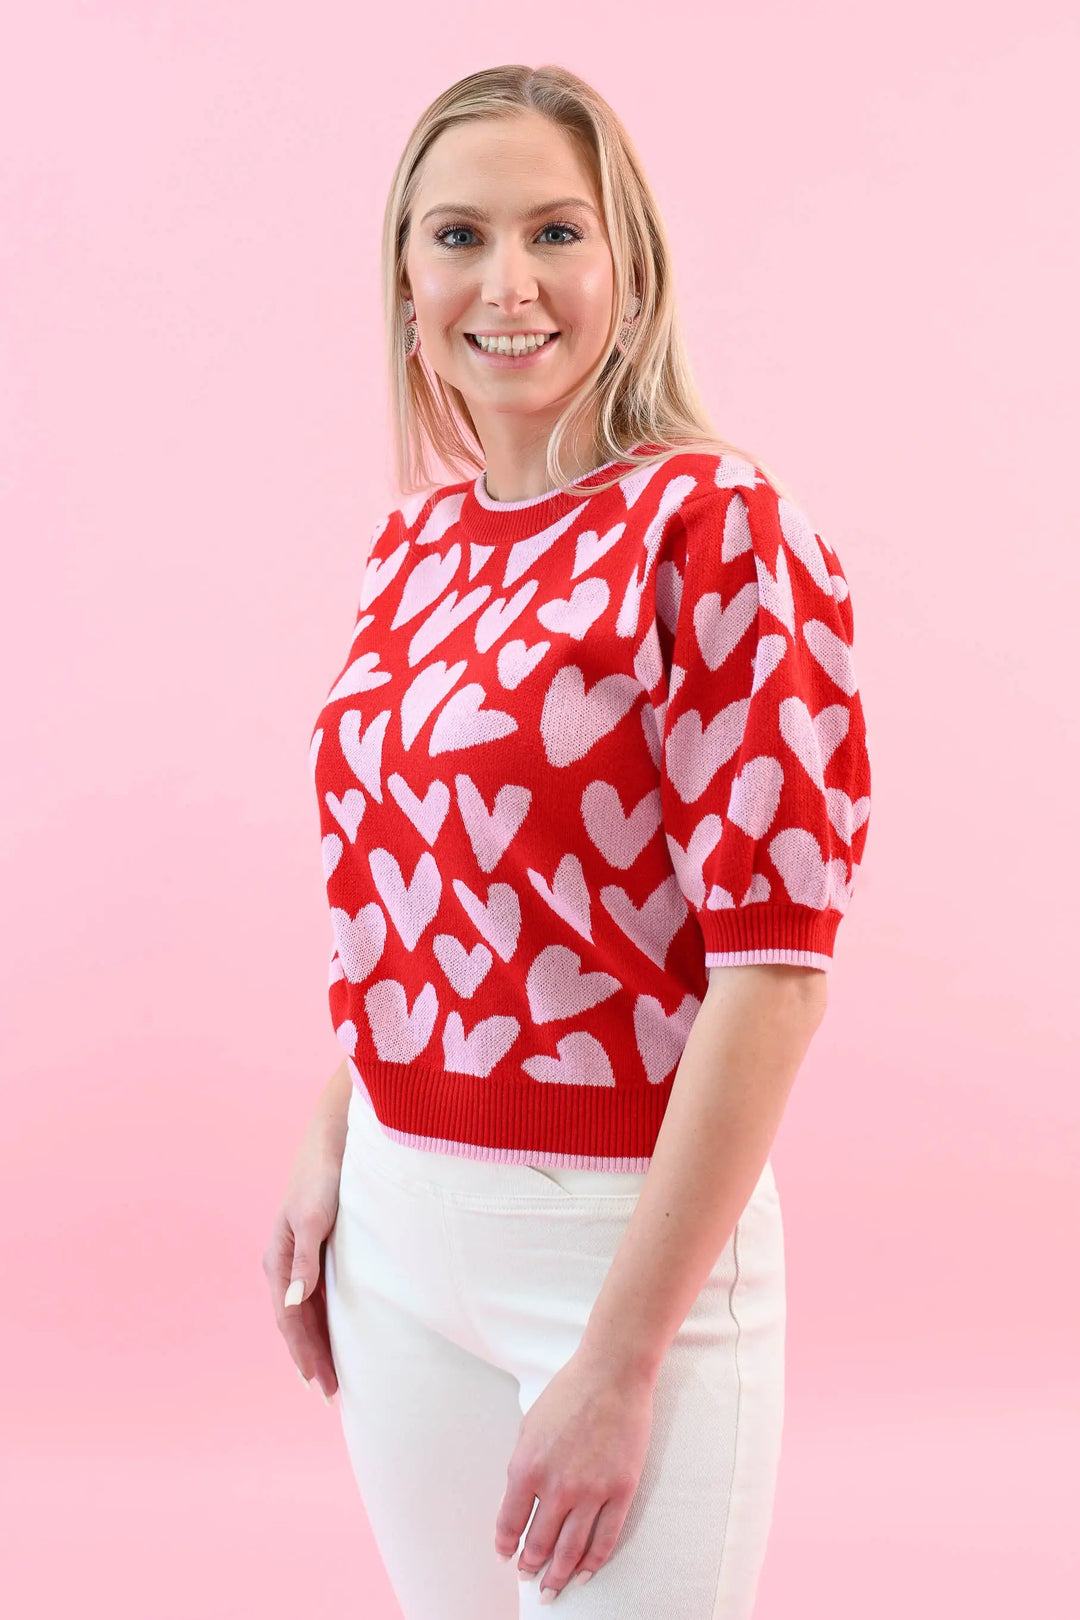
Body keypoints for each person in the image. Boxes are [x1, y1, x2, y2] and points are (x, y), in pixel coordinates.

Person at [262, 62, 872, 1620]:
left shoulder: (717, 528)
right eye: (459, 235)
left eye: (555, 232)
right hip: (395, 1235)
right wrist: (340, 1125)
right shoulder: (414, 549)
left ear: (629, 269)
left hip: (618, 1247)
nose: (508, 284)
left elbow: (776, 974)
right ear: (407, 277)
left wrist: (622, 1355)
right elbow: (421, 891)